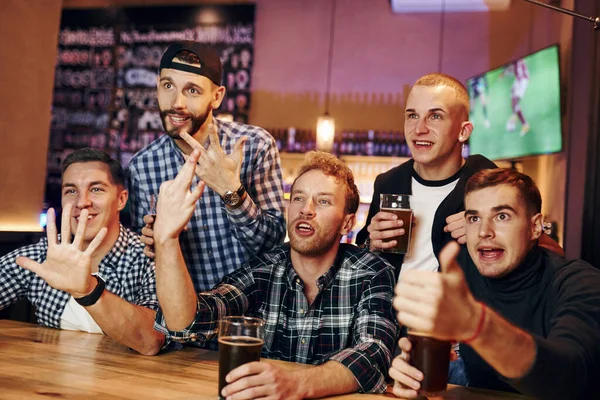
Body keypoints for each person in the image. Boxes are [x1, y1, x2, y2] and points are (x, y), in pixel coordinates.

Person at [153, 150, 399, 398]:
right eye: (298, 199)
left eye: (323, 201)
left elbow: (373, 353)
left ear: (347, 224)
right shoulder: (264, 270)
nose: (306, 210)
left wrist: (296, 384)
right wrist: (167, 239)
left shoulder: (372, 273)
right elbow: (187, 323)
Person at [390, 168, 600, 399]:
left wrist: (477, 325)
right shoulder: (463, 274)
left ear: (535, 227)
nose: (483, 232)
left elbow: (569, 377)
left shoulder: (580, 282)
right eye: (474, 218)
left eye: (502, 216)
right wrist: (412, 376)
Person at [127, 41, 285, 292]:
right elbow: (144, 267)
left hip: (251, 313)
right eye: (168, 86)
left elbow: (273, 244)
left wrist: (231, 191)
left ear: (217, 96)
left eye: (192, 91)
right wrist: (150, 243)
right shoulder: (142, 167)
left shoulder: (255, 145)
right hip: (185, 319)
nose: (176, 102)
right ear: (157, 86)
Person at [0, 148, 164, 356]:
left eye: (96, 189)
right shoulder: (44, 254)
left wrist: (88, 290)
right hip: (49, 384)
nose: (82, 202)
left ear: (121, 200)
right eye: (71, 191)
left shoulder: (147, 258)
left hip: (125, 383)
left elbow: (151, 340)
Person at [356, 73, 497, 280]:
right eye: (412, 115)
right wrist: (371, 244)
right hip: (390, 310)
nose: (419, 129)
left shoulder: (489, 182)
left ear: (463, 131)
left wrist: (486, 230)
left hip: (457, 309)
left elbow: (540, 248)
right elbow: (362, 260)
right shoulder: (389, 182)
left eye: (435, 116)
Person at [501, 59, 530, 136]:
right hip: (519, 79)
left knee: (515, 101)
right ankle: (522, 123)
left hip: (522, 79)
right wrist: (504, 73)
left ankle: (514, 118)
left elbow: (512, 68)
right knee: (513, 100)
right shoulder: (515, 62)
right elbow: (511, 69)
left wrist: (504, 72)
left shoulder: (516, 60)